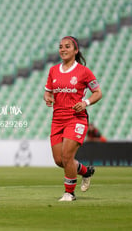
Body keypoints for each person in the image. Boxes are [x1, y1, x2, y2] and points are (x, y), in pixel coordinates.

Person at [44, 36, 102, 201]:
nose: (62, 49)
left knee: (67, 156)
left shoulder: (84, 71)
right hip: (57, 119)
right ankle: (86, 171)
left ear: (76, 50)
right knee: (59, 160)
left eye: (67, 46)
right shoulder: (53, 70)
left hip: (76, 119)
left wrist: (86, 102)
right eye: (60, 46)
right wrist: (47, 97)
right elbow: (47, 91)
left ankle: (69, 193)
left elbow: (98, 92)